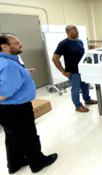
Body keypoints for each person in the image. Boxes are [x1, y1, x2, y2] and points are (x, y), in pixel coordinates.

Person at [0, 34, 58, 174]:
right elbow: (4, 93)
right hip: (15, 109)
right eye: (17, 42)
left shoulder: (6, 60)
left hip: (7, 110)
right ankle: (38, 162)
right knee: (28, 136)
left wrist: (23, 73)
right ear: (4, 46)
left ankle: (15, 164)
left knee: (13, 138)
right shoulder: (9, 65)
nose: (21, 44)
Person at [52, 25, 97, 112]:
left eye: (77, 31)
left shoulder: (79, 42)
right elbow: (54, 58)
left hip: (83, 70)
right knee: (76, 89)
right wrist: (63, 71)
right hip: (73, 72)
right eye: (74, 31)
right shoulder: (63, 43)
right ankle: (78, 106)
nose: (77, 33)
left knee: (85, 87)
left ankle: (87, 100)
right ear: (68, 32)